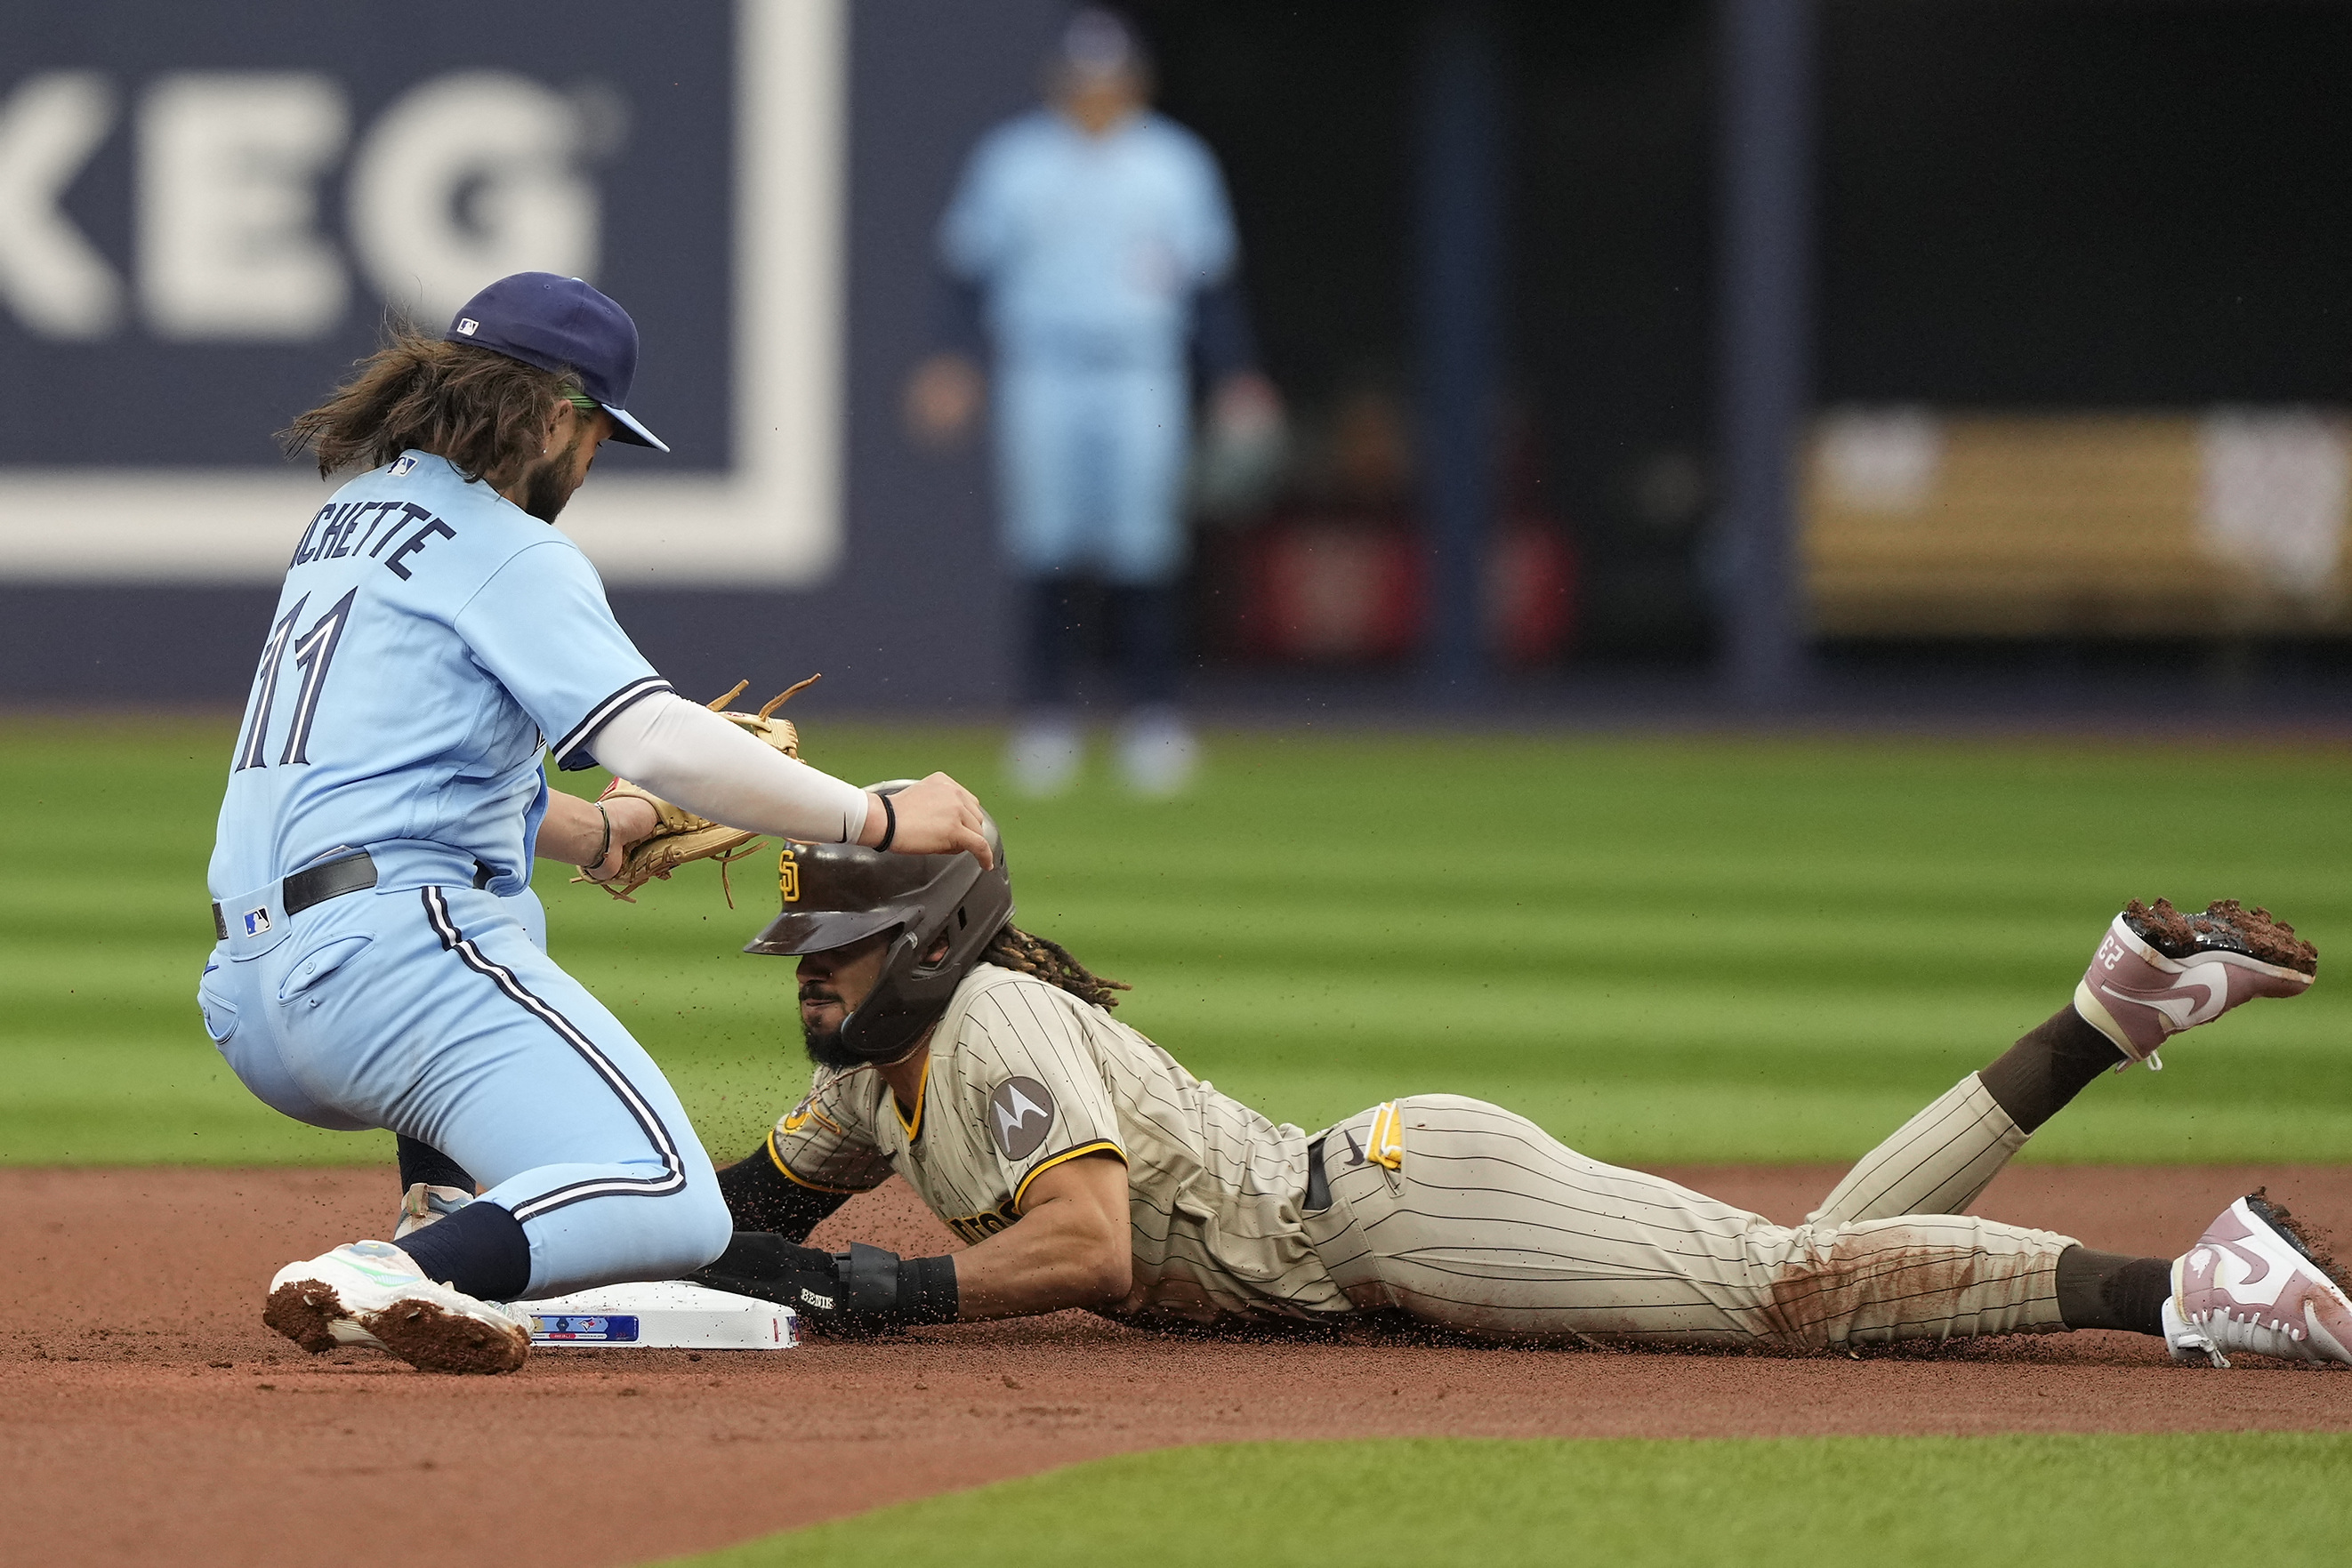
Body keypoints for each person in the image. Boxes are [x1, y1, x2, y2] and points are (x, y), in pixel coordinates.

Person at [692, 826, 2349, 1369]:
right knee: (1811, 1265)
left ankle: (2195, 1291)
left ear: (924, 946)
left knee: (1787, 1292)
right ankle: (2106, 1009)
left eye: (833, 951)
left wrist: (881, 1289)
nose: (805, 978)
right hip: (1380, 1220)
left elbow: (1090, 1247)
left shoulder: (985, 1027)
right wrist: (561, 1203)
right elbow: (748, 1203)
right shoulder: (875, 1078)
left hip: (1406, 1208)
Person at [204, 272, 992, 1374]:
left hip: (253, 993)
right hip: (384, 971)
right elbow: (658, 741)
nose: (588, 467)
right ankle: (413, 1266)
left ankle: (441, 1206)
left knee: (491, 900)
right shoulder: (509, 547)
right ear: (558, 415)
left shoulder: (344, 520)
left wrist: (598, 829)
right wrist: (876, 813)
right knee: (673, 1199)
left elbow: (403, 776)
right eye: (599, 438)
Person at [905, 7, 1281, 799]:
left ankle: (1153, 717)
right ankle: (1047, 719)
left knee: (1146, 548)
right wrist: (950, 359)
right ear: (1060, 84)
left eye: (1110, 81)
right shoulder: (1015, 160)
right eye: (1083, 81)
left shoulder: (1175, 163)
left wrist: (1237, 373)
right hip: (1044, 363)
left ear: (1136, 84)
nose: (1097, 95)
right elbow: (968, 271)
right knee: (1045, 544)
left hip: (1141, 365)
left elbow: (1210, 285)